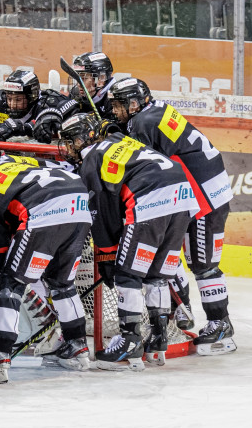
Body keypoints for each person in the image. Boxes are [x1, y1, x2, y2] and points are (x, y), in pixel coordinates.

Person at [59, 113, 199, 371]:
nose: (69, 148)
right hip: (184, 195)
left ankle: (130, 339)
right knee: (156, 274)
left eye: (72, 141)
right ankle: (158, 338)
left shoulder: (92, 158)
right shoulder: (118, 140)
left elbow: (101, 211)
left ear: (87, 137)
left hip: (152, 200)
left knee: (128, 275)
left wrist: (109, 255)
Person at [109, 78, 236, 355]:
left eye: (118, 105)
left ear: (133, 103)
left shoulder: (143, 123)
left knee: (202, 264)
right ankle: (185, 309)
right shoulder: (152, 112)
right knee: (173, 254)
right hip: (198, 192)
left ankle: (221, 323)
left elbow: (145, 164)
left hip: (205, 197)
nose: (114, 110)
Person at [0, 134, 94, 381]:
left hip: (46, 212)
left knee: (9, 285)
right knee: (62, 283)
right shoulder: (20, 162)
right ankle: (77, 348)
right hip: (80, 206)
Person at [0, 69, 80, 144]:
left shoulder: (51, 102)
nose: (12, 104)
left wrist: (22, 128)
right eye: (9, 98)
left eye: (18, 99)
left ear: (32, 96)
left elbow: (73, 112)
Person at [67, 51, 118, 122]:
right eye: (77, 78)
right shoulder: (76, 92)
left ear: (101, 79)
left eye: (83, 78)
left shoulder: (116, 99)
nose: (78, 84)